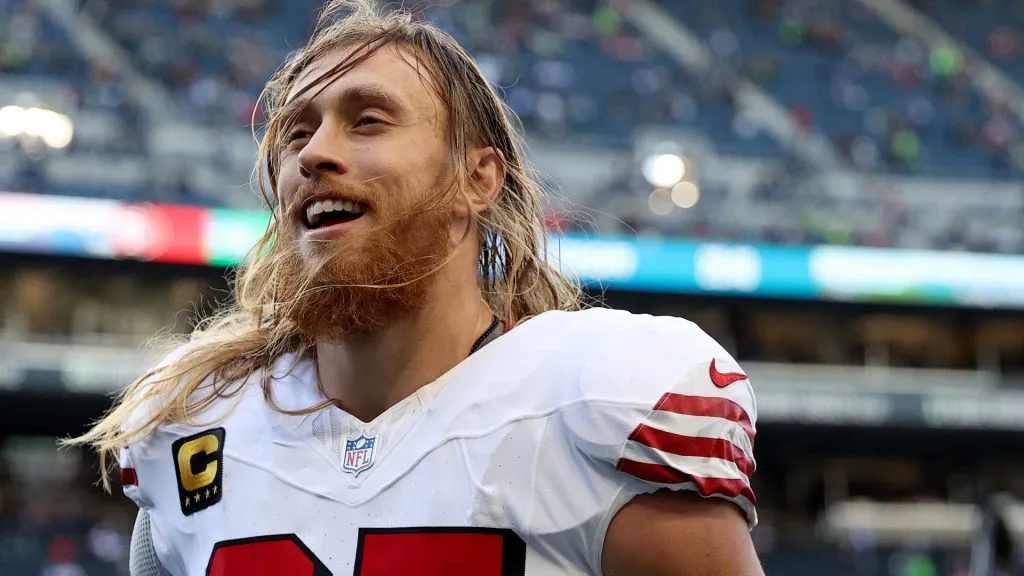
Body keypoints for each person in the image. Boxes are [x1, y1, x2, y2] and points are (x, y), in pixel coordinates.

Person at [67, 1, 762, 574]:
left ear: (477, 179)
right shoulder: (195, 424)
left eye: (366, 120)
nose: (313, 153)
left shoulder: (596, 402)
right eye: (295, 132)